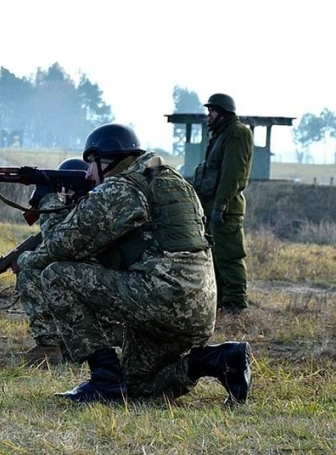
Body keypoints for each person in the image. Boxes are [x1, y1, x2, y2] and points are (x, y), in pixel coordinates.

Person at [17, 123, 252, 405]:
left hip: (160, 300)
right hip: (198, 310)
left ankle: (104, 381)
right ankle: (215, 360)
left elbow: (60, 246)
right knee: (139, 387)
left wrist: (49, 205)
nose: (88, 174)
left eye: (92, 164)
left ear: (109, 161)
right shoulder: (173, 181)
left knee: (57, 275)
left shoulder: (121, 189)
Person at [16, 157, 93, 365]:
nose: (62, 194)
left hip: (96, 298)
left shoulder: (87, 212)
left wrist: (48, 199)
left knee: (31, 269)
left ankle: (49, 347)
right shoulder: (93, 207)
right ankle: (65, 345)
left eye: (64, 189)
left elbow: (57, 244)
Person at [193, 93, 254, 314]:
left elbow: (233, 174)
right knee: (215, 256)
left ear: (224, 113)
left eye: (212, 111)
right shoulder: (220, 135)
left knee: (229, 255)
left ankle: (236, 303)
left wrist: (220, 206)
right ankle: (221, 302)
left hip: (226, 208)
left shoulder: (237, 134)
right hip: (213, 206)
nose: (208, 116)